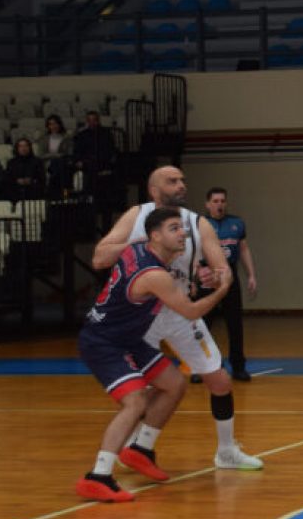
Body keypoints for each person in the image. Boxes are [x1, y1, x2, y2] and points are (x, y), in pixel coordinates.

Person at [92, 167, 264, 471]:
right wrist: (141, 244)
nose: (181, 185)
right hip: (140, 314)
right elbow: (99, 258)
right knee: (142, 390)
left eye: (183, 180)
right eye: (172, 181)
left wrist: (213, 278)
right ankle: (130, 450)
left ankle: (226, 451)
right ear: (153, 190)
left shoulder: (198, 224)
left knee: (220, 381)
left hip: (178, 310)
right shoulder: (136, 216)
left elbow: (222, 270)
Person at [74, 208, 231, 502]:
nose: (183, 233)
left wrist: (193, 280)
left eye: (182, 228)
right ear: (155, 236)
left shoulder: (139, 250)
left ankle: (141, 449)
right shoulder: (155, 275)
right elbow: (191, 311)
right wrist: (221, 290)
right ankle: (98, 475)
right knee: (135, 401)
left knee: (174, 384)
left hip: (129, 339)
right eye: (174, 228)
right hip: (104, 342)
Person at [204, 186, 259, 384]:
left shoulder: (236, 223)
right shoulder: (201, 224)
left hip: (230, 275)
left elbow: (243, 249)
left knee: (235, 324)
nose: (219, 204)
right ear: (208, 204)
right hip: (207, 276)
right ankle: (202, 367)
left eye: (222, 201)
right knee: (203, 324)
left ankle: (238, 367)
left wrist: (251, 275)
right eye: (215, 201)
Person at [72, 110, 119, 229]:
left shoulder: (106, 134)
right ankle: (91, 228)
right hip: (89, 173)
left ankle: (107, 228)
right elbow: (77, 153)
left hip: (104, 172)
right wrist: (80, 162)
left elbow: (111, 151)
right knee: (91, 202)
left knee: (106, 203)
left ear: (98, 121)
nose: (92, 122)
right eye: (90, 120)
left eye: (94, 120)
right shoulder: (82, 135)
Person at [37, 113, 73, 196]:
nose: (53, 126)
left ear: (59, 125)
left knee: (59, 164)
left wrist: (58, 156)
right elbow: (40, 155)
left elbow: (69, 153)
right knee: (55, 163)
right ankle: (60, 191)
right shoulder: (43, 139)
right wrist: (55, 155)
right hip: (47, 163)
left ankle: (57, 191)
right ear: (48, 126)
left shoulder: (67, 138)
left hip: (63, 162)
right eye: (51, 124)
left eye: (55, 124)